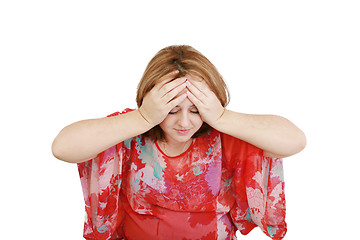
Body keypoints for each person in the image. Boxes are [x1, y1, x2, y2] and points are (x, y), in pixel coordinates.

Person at [52, 45, 306, 240]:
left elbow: (295, 141)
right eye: (171, 111)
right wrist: (142, 117)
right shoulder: (131, 127)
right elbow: (62, 148)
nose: (184, 123)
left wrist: (220, 117)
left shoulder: (225, 132)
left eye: (196, 110)